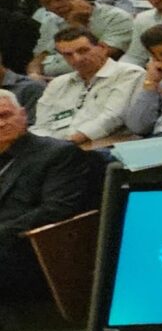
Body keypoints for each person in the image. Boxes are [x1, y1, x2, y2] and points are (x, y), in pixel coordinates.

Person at [0, 90, 96, 307]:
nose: (1, 124)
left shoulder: (57, 154)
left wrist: (4, 231)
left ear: (23, 115)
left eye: (5, 115)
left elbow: (56, 210)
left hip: (32, 245)